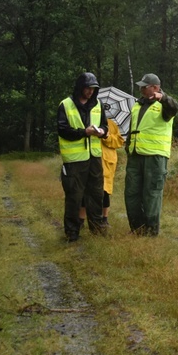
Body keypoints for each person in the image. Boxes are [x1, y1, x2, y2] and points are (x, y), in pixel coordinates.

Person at [124, 73, 178, 236]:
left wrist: (163, 98)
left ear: (155, 87)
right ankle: (137, 229)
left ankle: (151, 230)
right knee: (131, 193)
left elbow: (174, 107)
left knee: (151, 194)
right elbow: (133, 129)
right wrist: (128, 147)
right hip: (135, 156)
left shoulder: (165, 105)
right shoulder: (137, 105)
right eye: (140, 86)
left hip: (155, 157)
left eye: (144, 86)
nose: (141, 89)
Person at [57, 72, 109, 242]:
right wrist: (83, 132)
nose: (90, 92)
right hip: (74, 161)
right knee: (74, 196)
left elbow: (105, 126)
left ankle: (97, 229)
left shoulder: (98, 104)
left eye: (94, 89)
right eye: (88, 88)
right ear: (80, 87)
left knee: (96, 194)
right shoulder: (65, 105)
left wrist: (102, 132)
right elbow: (62, 130)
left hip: (94, 158)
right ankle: (72, 232)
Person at [78, 117, 124, 228]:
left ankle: (104, 220)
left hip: (106, 162)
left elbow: (118, 142)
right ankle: (80, 221)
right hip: (88, 160)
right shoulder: (85, 121)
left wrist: (105, 136)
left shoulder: (111, 124)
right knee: (84, 191)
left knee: (105, 192)